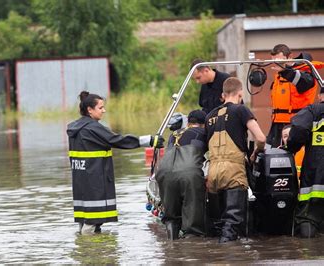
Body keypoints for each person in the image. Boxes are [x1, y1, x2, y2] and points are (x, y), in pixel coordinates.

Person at [67, 91, 164, 235]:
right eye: (100, 108)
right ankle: (93, 252)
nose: (104, 110)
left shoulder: (74, 128)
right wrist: (148, 141)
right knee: (92, 224)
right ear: (89, 110)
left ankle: (85, 249)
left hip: (81, 184)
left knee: (85, 220)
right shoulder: (93, 128)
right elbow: (117, 140)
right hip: (96, 182)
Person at [205, 77, 266, 243]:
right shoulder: (241, 110)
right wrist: (255, 153)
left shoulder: (209, 115)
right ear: (240, 93)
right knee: (233, 221)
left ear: (223, 95)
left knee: (219, 223)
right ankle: (230, 256)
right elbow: (261, 138)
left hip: (213, 173)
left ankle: (215, 256)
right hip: (233, 171)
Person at [155, 109, 208, 239]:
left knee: (171, 216)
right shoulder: (203, 132)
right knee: (192, 214)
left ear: (188, 122)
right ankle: (191, 247)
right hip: (188, 173)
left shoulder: (174, 134)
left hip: (164, 172)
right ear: (203, 123)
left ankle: (172, 245)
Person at [286, 86, 324, 238]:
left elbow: (299, 129)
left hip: (315, 179)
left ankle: (308, 254)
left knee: (308, 218)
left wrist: (292, 148)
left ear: (321, 96)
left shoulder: (313, 110)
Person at [266, 44, 319, 148]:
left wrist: (285, 70)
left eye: (280, 61)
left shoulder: (306, 72)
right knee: (270, 155)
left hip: (296, 125)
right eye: (274, 61)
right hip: (277, 127)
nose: (277, 64)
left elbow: (302, 81)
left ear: (290, 57)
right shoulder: (278, 75)